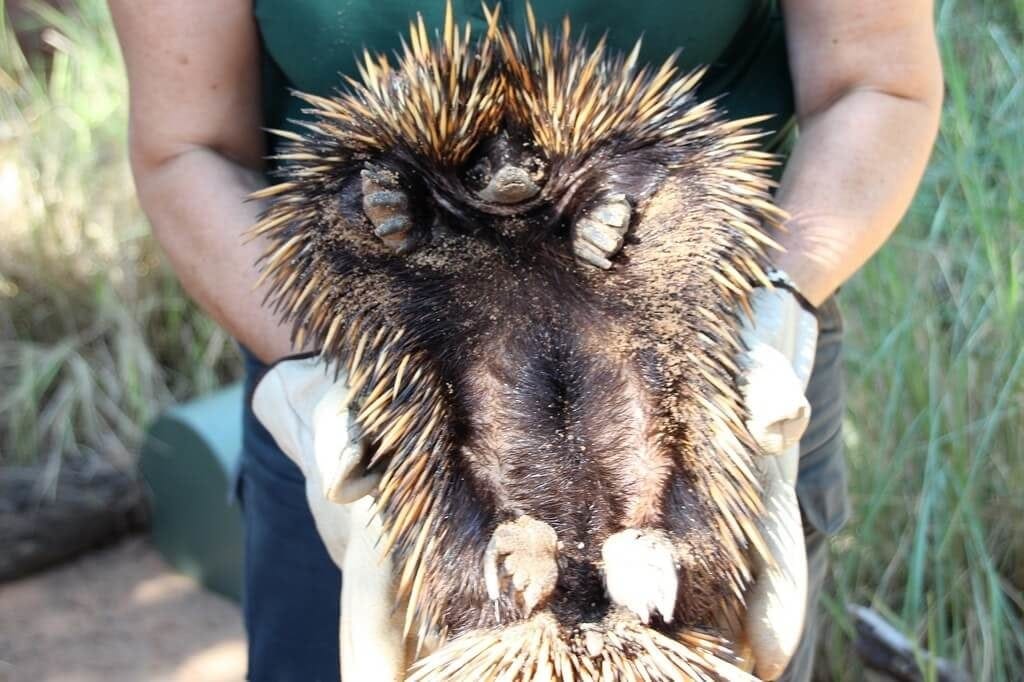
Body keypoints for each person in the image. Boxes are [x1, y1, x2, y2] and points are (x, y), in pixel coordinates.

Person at [109, 1, 943, 680]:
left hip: (718, 319)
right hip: (357, 344)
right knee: (443, 559)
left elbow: (877, 82)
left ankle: (640, 554)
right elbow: (189, 147)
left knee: (674, 555)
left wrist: (779, 304)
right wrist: (308, 371)